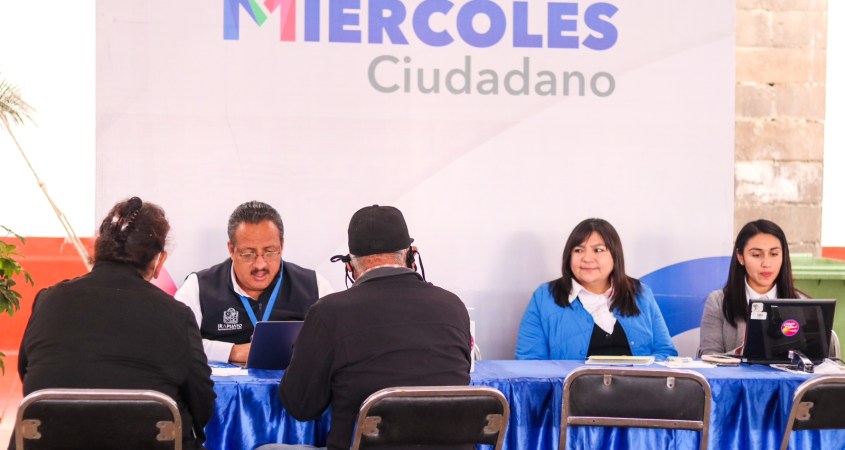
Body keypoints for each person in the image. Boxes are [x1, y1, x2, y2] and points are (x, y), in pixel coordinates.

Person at [257, 205, 472, 450]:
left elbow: (301, 406)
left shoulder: (328, 313)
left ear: (349, 266)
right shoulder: (454, 307)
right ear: (412, 255)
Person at [11, 197, 215, 450]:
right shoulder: (177, 315)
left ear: (99, 250)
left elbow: (28, 375)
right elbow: (202, 402)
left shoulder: (48, 300)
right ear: (158, 262)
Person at [174, 201, 332, 364]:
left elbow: (337, 341)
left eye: (269, 252)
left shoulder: (315, 287)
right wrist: (232, 352)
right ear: (231, 249)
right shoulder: (198, 287)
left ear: (281, 246)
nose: (260, 265)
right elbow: (175, 341)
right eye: (249, 254)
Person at [515, 218, 677, 360]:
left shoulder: (640, 293)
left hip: (638, 387)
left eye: (598, 250)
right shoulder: (545, 297)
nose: (587, 258)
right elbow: (531, 363)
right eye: (578, 250)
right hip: (568, 387)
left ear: (615, 255)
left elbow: (665, 352)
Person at [698, 219, 841, 357]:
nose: (766, 263)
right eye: (756, 255)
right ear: (740, 256)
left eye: (774, 254)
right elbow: (709, 357)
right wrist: (743, 352)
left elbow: (822, 359)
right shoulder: (718, 302)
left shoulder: (804, 304)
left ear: (783, 256)